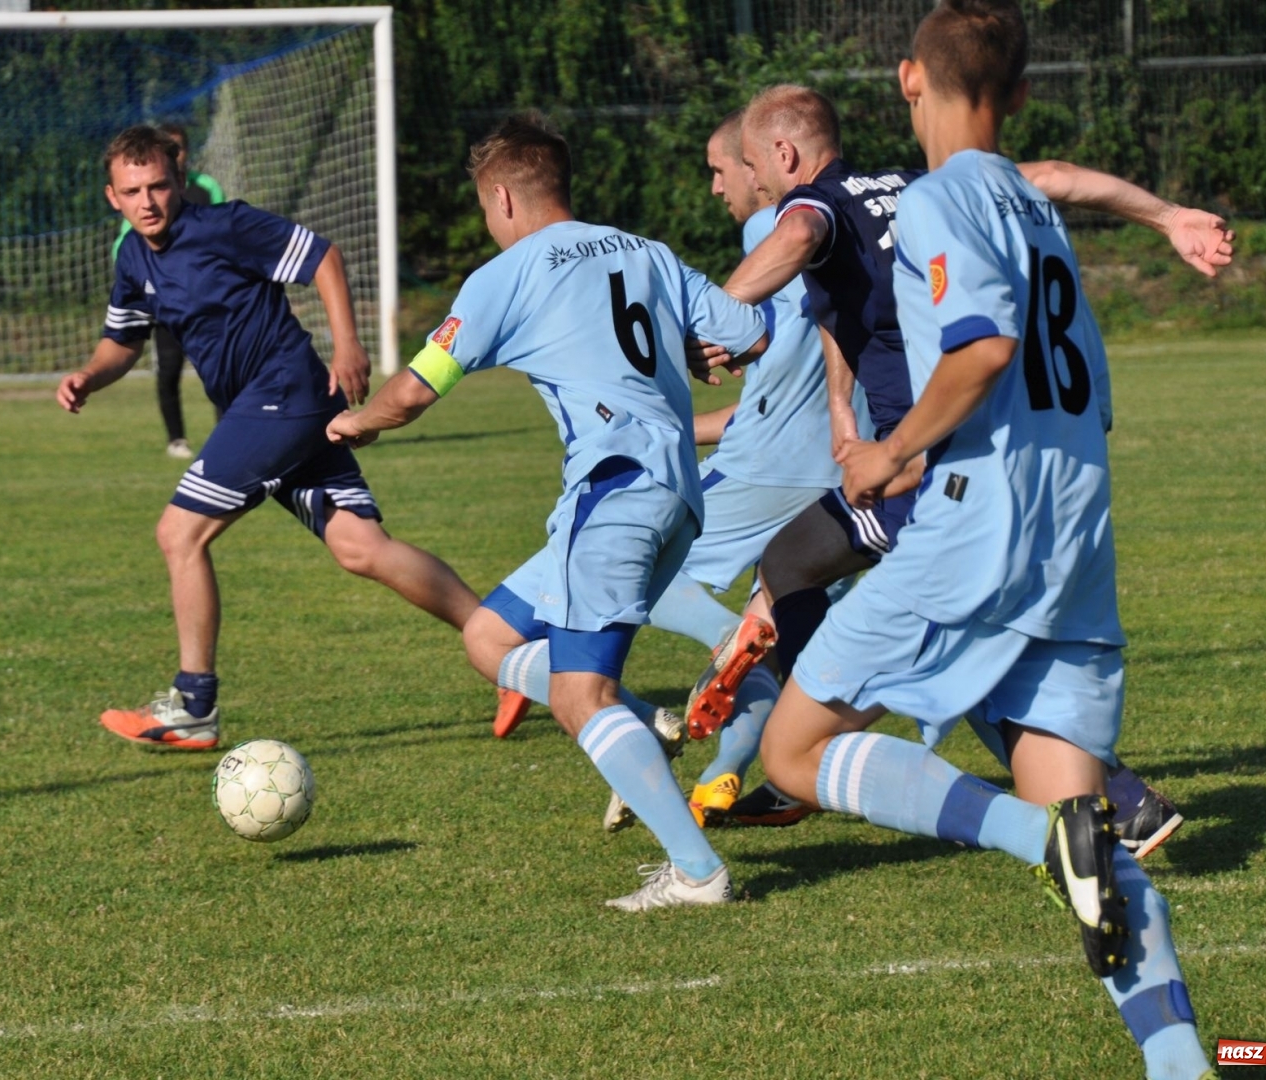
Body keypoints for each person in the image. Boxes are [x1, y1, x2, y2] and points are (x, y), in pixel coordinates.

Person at [756, 4, 1213, 1076]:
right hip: (1075, 525)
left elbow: (983, 347)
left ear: (909, 79)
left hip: (981, 517)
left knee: (792, 750)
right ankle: (1181, 1063)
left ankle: (1036, 840)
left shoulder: (940, 197)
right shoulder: (1025, 195)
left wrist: (891, 452)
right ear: (1014, 93)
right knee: (1086, 827)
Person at [689, 81, 1232, 852]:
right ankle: (827, 733)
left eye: (745, 164)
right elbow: (1056, 176)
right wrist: (1167, 215)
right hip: (956, 454)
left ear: (783, 154)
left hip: (934, 457)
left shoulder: (811, 206)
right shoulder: (910, 186)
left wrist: (706, 320)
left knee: (925, 626)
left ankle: (828, 743)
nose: (743, 182)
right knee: (794, 563)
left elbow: (798, 238)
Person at [327, 114, 768, 911]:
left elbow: (416, 387)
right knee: (488, 636)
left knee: (575, 697)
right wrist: (709, 354)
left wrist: (357, 422)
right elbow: (745, 332)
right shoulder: (644, 250)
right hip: (673, 492)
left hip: (612, 493)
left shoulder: (507, 275)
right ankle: (644, 730)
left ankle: (697, 872)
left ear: (500, 196)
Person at [59, 124, 479, 750]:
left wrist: (348, 344)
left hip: (282, 395)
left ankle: (194, 705)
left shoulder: (223, 225)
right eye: (132, 191)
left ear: (179, 180)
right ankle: (505, 649)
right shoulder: (133, 258)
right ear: (111, 197)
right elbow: (123, 340)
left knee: (179, 533)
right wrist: (91, 375)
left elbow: (322, 257)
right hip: (269, 411)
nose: (148, 201)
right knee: (361, 548)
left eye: (158, 187)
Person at [594, 109, 873, 835]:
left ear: (763, 164)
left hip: (771, 459)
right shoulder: (871, 212)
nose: (718, 188)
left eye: (723, 171)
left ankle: (731, 638)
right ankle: (737, 775)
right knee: (803, 616)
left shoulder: (778, 226)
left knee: (639, 564)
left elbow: (766, 342)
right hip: (856, 458)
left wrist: (709, 330)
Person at [109, 122, 227, 461]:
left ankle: (226, 434)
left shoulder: (206, 190)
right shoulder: (140, 215)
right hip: (163, 303)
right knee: (169, 369)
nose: (147, 201)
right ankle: (176, 438)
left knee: (218, 370)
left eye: (176, 148)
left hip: (205, 304)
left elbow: (218, 234)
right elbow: (125, 245)